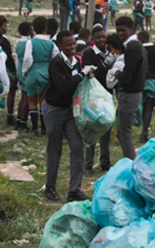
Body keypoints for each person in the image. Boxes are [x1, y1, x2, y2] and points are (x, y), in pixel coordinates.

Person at [43, 30, 95, 202]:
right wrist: (82, 74)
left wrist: (88, 76)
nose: (72, 47)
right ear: (59, 46)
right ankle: (50, 187)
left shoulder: (76, 62)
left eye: (73, 43)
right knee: (55, 149)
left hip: (71, 110)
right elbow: (64, 87)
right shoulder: (56, 63)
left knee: (77, 146)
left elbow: (79, 85)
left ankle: (74, 190)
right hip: (55, 110)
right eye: (68, 45)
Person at [108, 16, 148, 159]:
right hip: (134, 93)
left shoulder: (132, 47)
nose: (120, 34)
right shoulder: (138, 45)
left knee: (124, 133)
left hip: (130, 94)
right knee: (123, 132)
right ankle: (130, 161)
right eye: (118, 30)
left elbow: (127, 76)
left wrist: (116, 72)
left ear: (131, 29)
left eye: (123, 30)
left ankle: (130, 164)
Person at [82, 26, 116, 174]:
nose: (102, 40)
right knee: (92, 129)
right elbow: (92, 74)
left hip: (107, 96)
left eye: (104, 37)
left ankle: (105, 162)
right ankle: (88, 164)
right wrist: (105, 64)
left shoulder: (111, 52)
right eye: (98, 38)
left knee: (106, 128)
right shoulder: (89, 53)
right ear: (93, 40)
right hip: (93, 96)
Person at [23, 17, 59, 135]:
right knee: (43, 101)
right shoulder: (51, 44)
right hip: (46, 73)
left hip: (33, 71)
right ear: (45, 28)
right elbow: (55, 58)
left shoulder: (30, 42)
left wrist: (25, 71)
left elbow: (27, 58)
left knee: (32, 100)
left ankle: (34, 128)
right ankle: (44, 127)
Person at [0, 16, 18, 127]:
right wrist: (14, 71)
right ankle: (10, 115)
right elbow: (8, 58)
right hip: (5, 69)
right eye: (5, 26)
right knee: (12, 90)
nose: (6, 28)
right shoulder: (4, 41)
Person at [15, 22, 34, 132]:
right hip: (26, 71)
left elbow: (17, 59)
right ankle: (23, 122)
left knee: (23, 98)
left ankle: (18, 120)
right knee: (27, 98)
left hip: (19, 69)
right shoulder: (29, 43)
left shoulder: (19, 43)